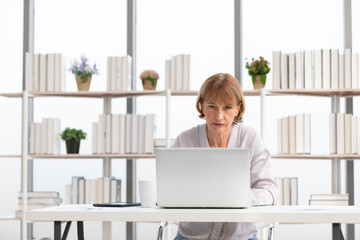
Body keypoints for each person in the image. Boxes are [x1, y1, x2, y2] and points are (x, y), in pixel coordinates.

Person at [173, 73, 278, 240]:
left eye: (227, 107)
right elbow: (171, 190)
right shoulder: (184, 140)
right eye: (212, 106)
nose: (219, 116)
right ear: (202, 106)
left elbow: (269, 192)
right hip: (191, 236)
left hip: (241, 237)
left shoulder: (250, 138)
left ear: (238, 108)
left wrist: (236, 197)